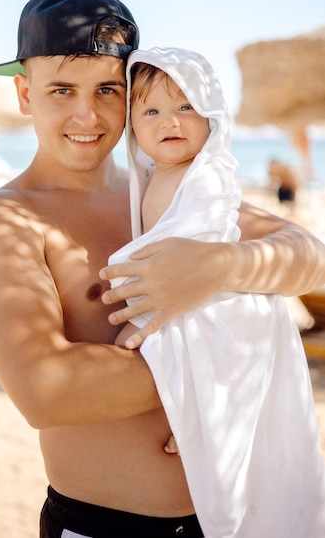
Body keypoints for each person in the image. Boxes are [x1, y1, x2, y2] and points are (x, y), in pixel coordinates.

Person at [0, 0, 325, 538]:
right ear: (25, 93)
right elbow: (47, 390)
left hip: (227, 512)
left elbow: (309, 257)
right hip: (106, 525)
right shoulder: (4, 219)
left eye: (107, 88)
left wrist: (221, 269)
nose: (88, 114)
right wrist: (216, 362)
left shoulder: (169, 189)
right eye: (61, 89)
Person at [108, 47, 325, 537]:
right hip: (196, 301)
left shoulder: (205, 177)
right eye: (151, 111)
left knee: (217, 409)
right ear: (132, 126)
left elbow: (195, 276)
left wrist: (149, 326)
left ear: (212, 115)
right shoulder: (151, 178)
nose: (171, 121)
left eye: (187, 107)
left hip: (222, 310)